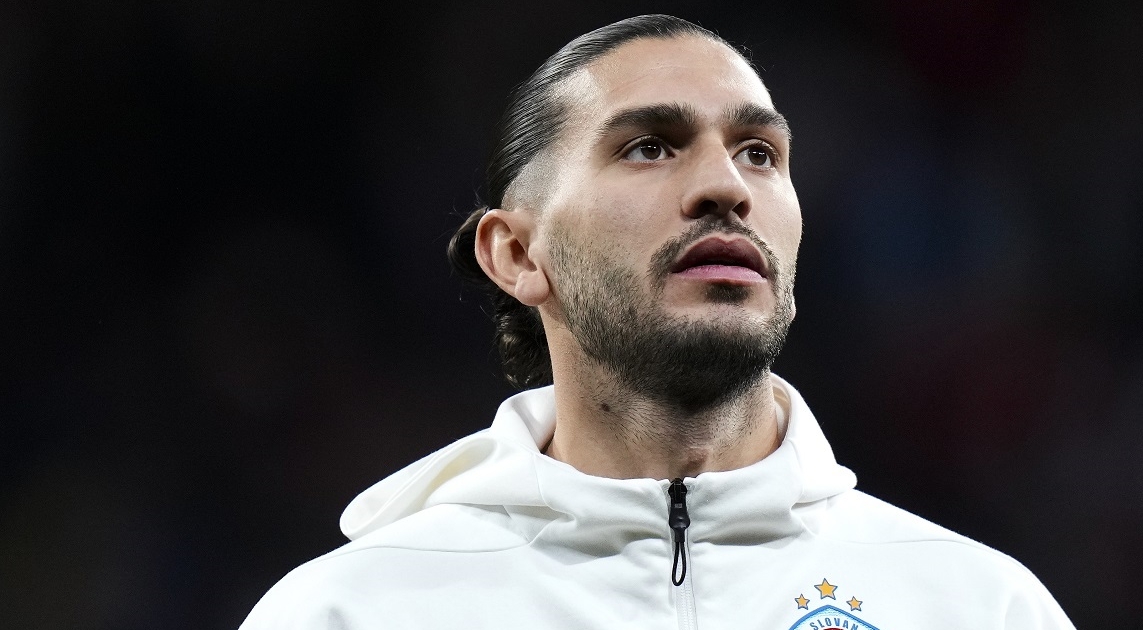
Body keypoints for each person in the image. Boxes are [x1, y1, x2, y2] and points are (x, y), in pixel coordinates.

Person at [241, 15, 1075, 629]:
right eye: (650, 146)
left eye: (759, 153)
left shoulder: (977, 607)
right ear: (518, 254)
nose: (727, 187)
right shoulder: (353, 612)